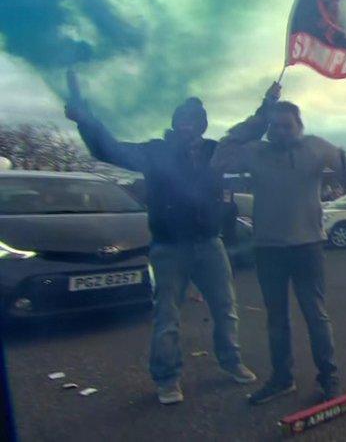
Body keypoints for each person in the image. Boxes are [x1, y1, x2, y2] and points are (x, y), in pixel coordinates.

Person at [64, 72, 255, 405]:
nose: (187, 125)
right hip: (169, 247)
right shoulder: (157, 152)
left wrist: (268, 106)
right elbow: (110, 150)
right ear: (175, 123)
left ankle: (232, 361)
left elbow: (249, 134)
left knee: (226, 309)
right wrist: (85, 119)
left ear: (202, 125)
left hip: (210, 243)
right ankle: (167, 379)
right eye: (182, 119)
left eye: (194, 121)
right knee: (167, 316)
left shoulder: (215, 151)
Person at [212, 82, 346, 403]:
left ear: (299, 126)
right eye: (275, 126)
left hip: (307, 246)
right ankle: (282, 378)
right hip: (268, 248)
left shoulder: (314, 148)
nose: (281, 132)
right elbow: (219, 159)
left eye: (287, 126)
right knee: (276, 319)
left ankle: (329, 377)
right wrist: (258, 117)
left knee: (315, 314)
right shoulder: (255, 152)